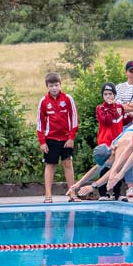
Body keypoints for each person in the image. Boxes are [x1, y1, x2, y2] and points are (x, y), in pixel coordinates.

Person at [36, 71, 78, 203]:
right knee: (50, 165)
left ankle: (72, 193)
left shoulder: (67, 99)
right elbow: (40, 122)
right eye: (51, 85)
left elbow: (74, 118)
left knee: (67, 164)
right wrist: (42, 142)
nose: (54, 88)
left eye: (56, 85)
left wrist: (71, 137)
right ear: (47, 86)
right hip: (51, 139)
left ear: (60, 85)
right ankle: (48, 195)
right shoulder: (43, 101)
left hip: (66, 139)